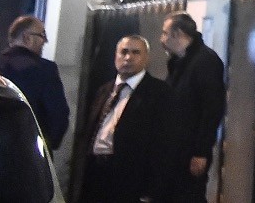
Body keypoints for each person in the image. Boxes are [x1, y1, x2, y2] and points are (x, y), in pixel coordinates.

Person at [73, 34, 172, 203]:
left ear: (146, 58)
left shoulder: (159, 93)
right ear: (115, 55)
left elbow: (162, 145)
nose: (128, 57)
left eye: (135, 52)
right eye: (123, 52)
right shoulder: (104, 90)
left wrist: (151, 190)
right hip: (95, 173)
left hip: (129, 179)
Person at [159, 12, 226, 203]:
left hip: (189, 151)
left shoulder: (206, 61)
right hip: (174, 149)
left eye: (165, 33)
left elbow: (212, 108)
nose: (161, 39)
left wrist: (201, 151)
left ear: (178, 33)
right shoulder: (179, 61)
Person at [0, 14, 71, 150]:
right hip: (27, 154)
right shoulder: (45, 70)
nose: (45, 41)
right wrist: (45, 147)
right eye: (42, 35)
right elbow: (58, 115)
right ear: (27, 38)